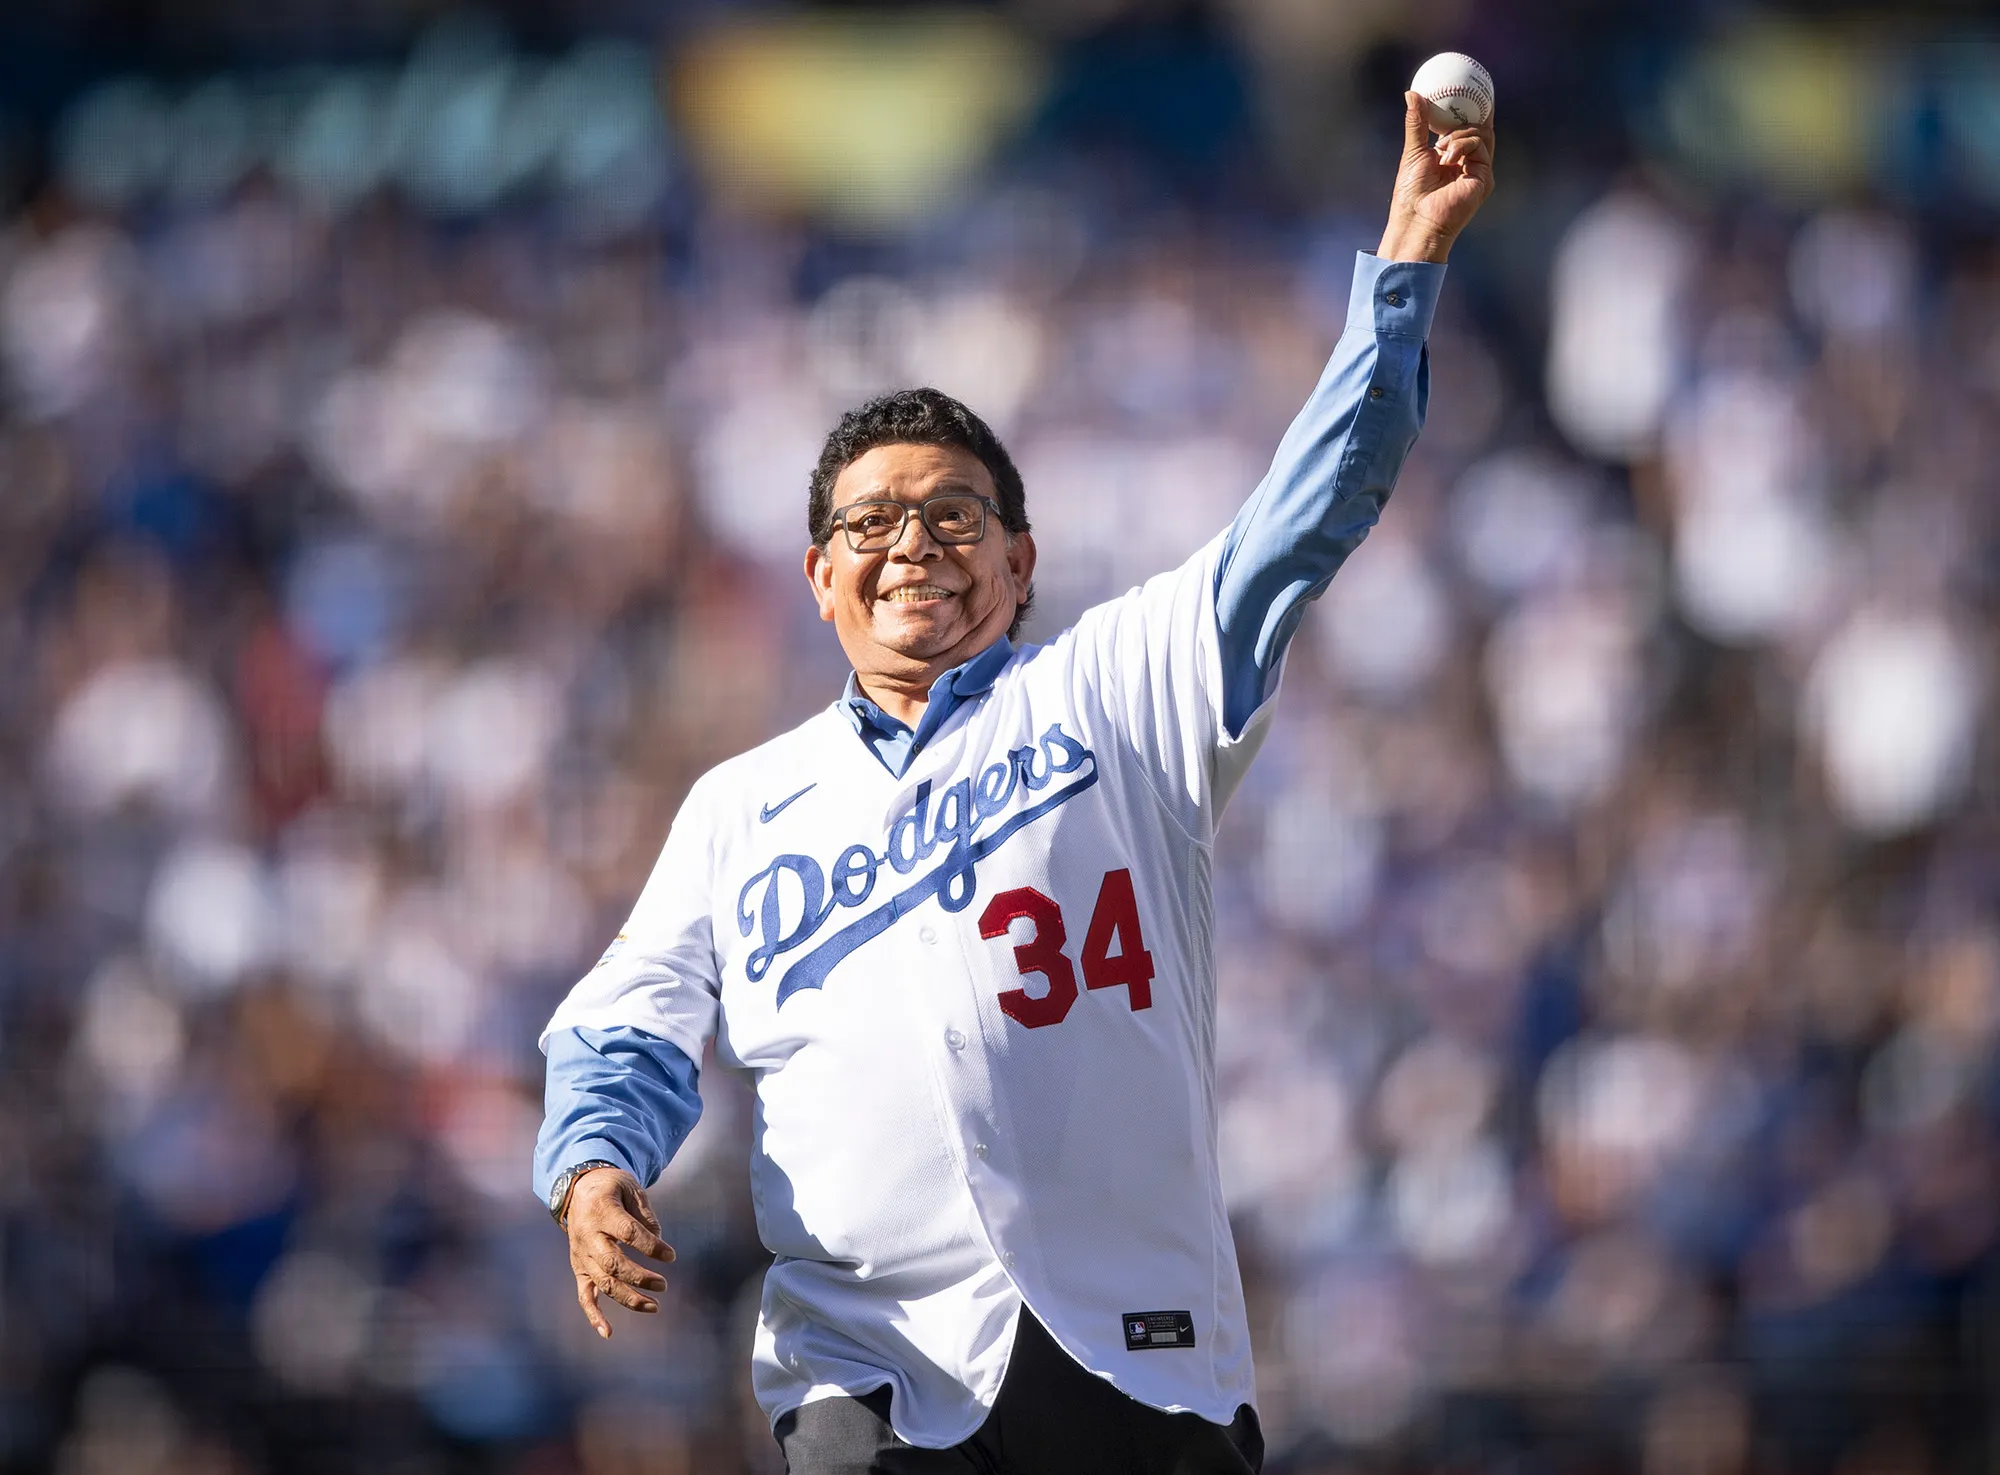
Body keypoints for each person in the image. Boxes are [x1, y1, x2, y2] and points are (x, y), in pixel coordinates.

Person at [533, 91, 1494, 1473]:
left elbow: (1308, 512)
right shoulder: (740, 806)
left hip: (1131, 1341)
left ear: (1021, 562)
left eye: (953, 513)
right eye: (870, 520)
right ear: (819, 578)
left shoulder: (1117, 686)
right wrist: (590, 1164)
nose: (911, 541)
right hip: (868, 1365)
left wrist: (1402, 268)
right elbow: (623, 1022)